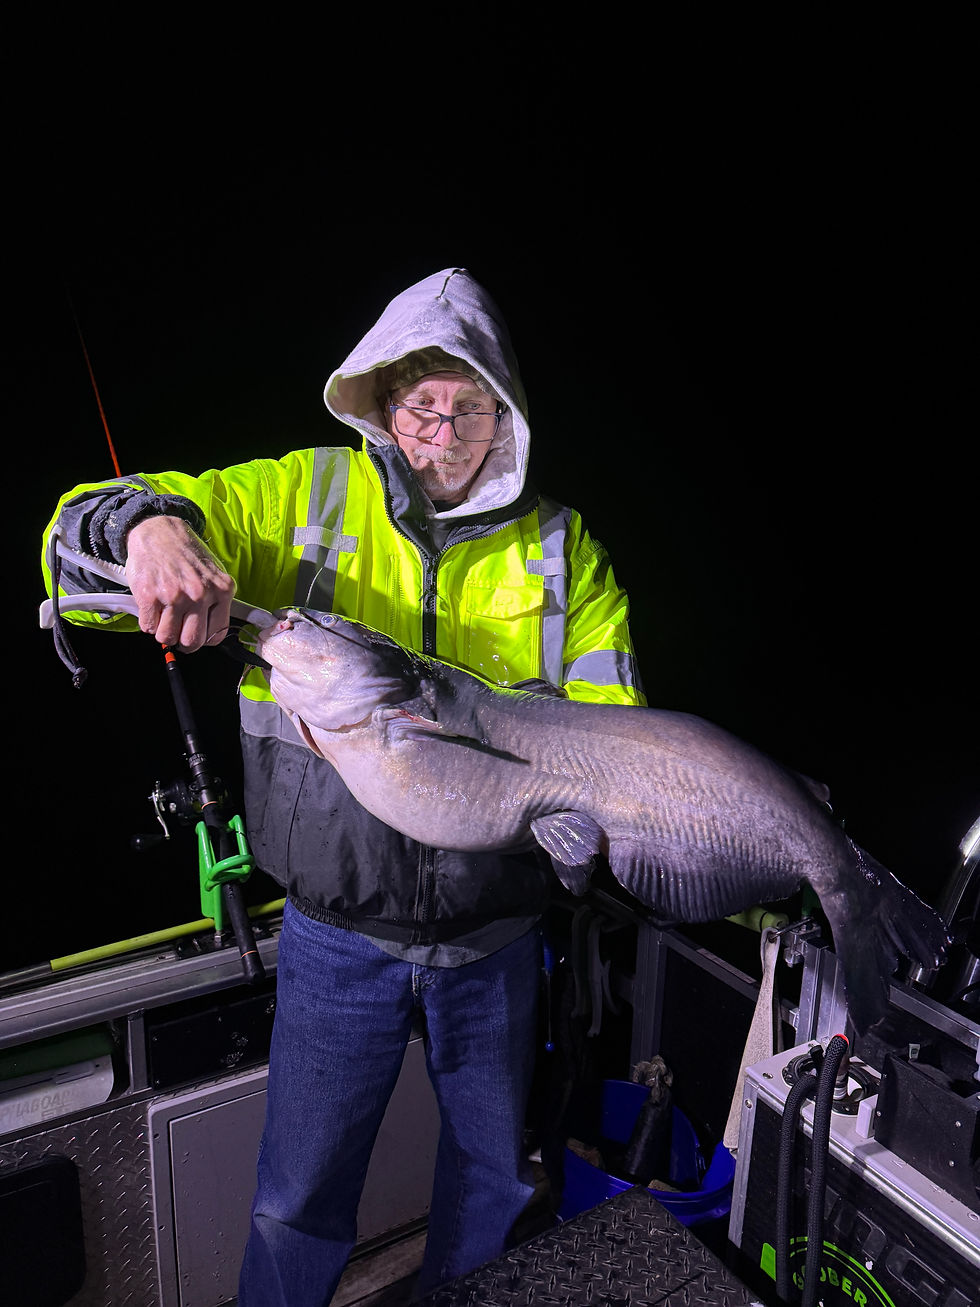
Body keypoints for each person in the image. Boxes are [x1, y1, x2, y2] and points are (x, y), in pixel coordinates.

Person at [43, 267, 645, 1305]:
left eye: (469, 406)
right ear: (379, 399)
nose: (442, 428)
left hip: (497, 940)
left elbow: (619, 733)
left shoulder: (561, 549)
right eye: (419, 401)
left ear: (505, 414)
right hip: (334, 937)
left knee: (493, 1183)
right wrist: (147, 529)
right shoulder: (303, 495)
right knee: (296, 1200)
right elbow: (75, 552)